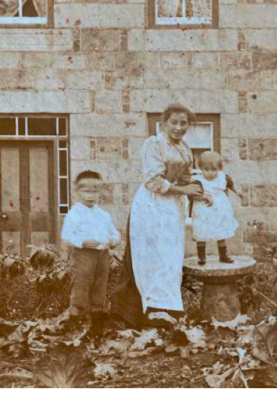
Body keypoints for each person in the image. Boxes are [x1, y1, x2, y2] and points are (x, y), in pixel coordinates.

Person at [114, 104, 207, 329]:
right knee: (147, 257)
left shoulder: (184, 149)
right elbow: (153, 181)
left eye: (183, 123)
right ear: (164, 123)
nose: (178, 127)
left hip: (171, 208)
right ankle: (134, 315)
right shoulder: (154, 144)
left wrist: (202, 189)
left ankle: (166, 312)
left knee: (169, 258)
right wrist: (185, 191)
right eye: (173, 122)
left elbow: (186, 178)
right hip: (150, 206)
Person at [61, 171, 121, 334]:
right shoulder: (74, 214)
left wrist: (112, 240)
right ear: (77, 192)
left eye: (95, 192)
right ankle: (74, 326)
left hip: (102, 257)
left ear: (100, 192)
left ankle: (97, 327)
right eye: (86, 191)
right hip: (83, 256)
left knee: (99, 289)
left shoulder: (103, 215)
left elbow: (115, 233)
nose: (91, 196)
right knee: (80, 288)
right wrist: (82, 241)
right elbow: (66, 235)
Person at [189, 150, 241, 266]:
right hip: (203, 208)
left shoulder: (223, 177)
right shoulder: (197, 180)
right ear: (201, 168)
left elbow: (231, 184)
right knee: (201, 231)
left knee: (221, 230)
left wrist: (238, 191)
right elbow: (192, 193)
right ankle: (201, 256)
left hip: (220, 208)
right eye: (207, 170)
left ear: (219, 168)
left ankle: (223, 255)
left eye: (214, 170)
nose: (210, 173)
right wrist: (202, 197)